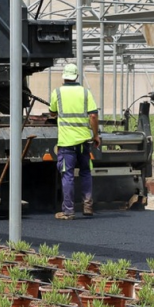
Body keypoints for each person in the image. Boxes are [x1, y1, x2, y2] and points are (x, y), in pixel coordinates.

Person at [49, 64, 102, 220]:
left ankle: (68, 210)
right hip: (84, 142)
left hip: (66, 143)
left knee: (68, 175)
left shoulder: (57, 92)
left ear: (64, 77)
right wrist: (95, 135)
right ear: (77, 77)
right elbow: (93, 116)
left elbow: (52, 112)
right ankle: (87, 206)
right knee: (85, 172)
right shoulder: (86, 93)